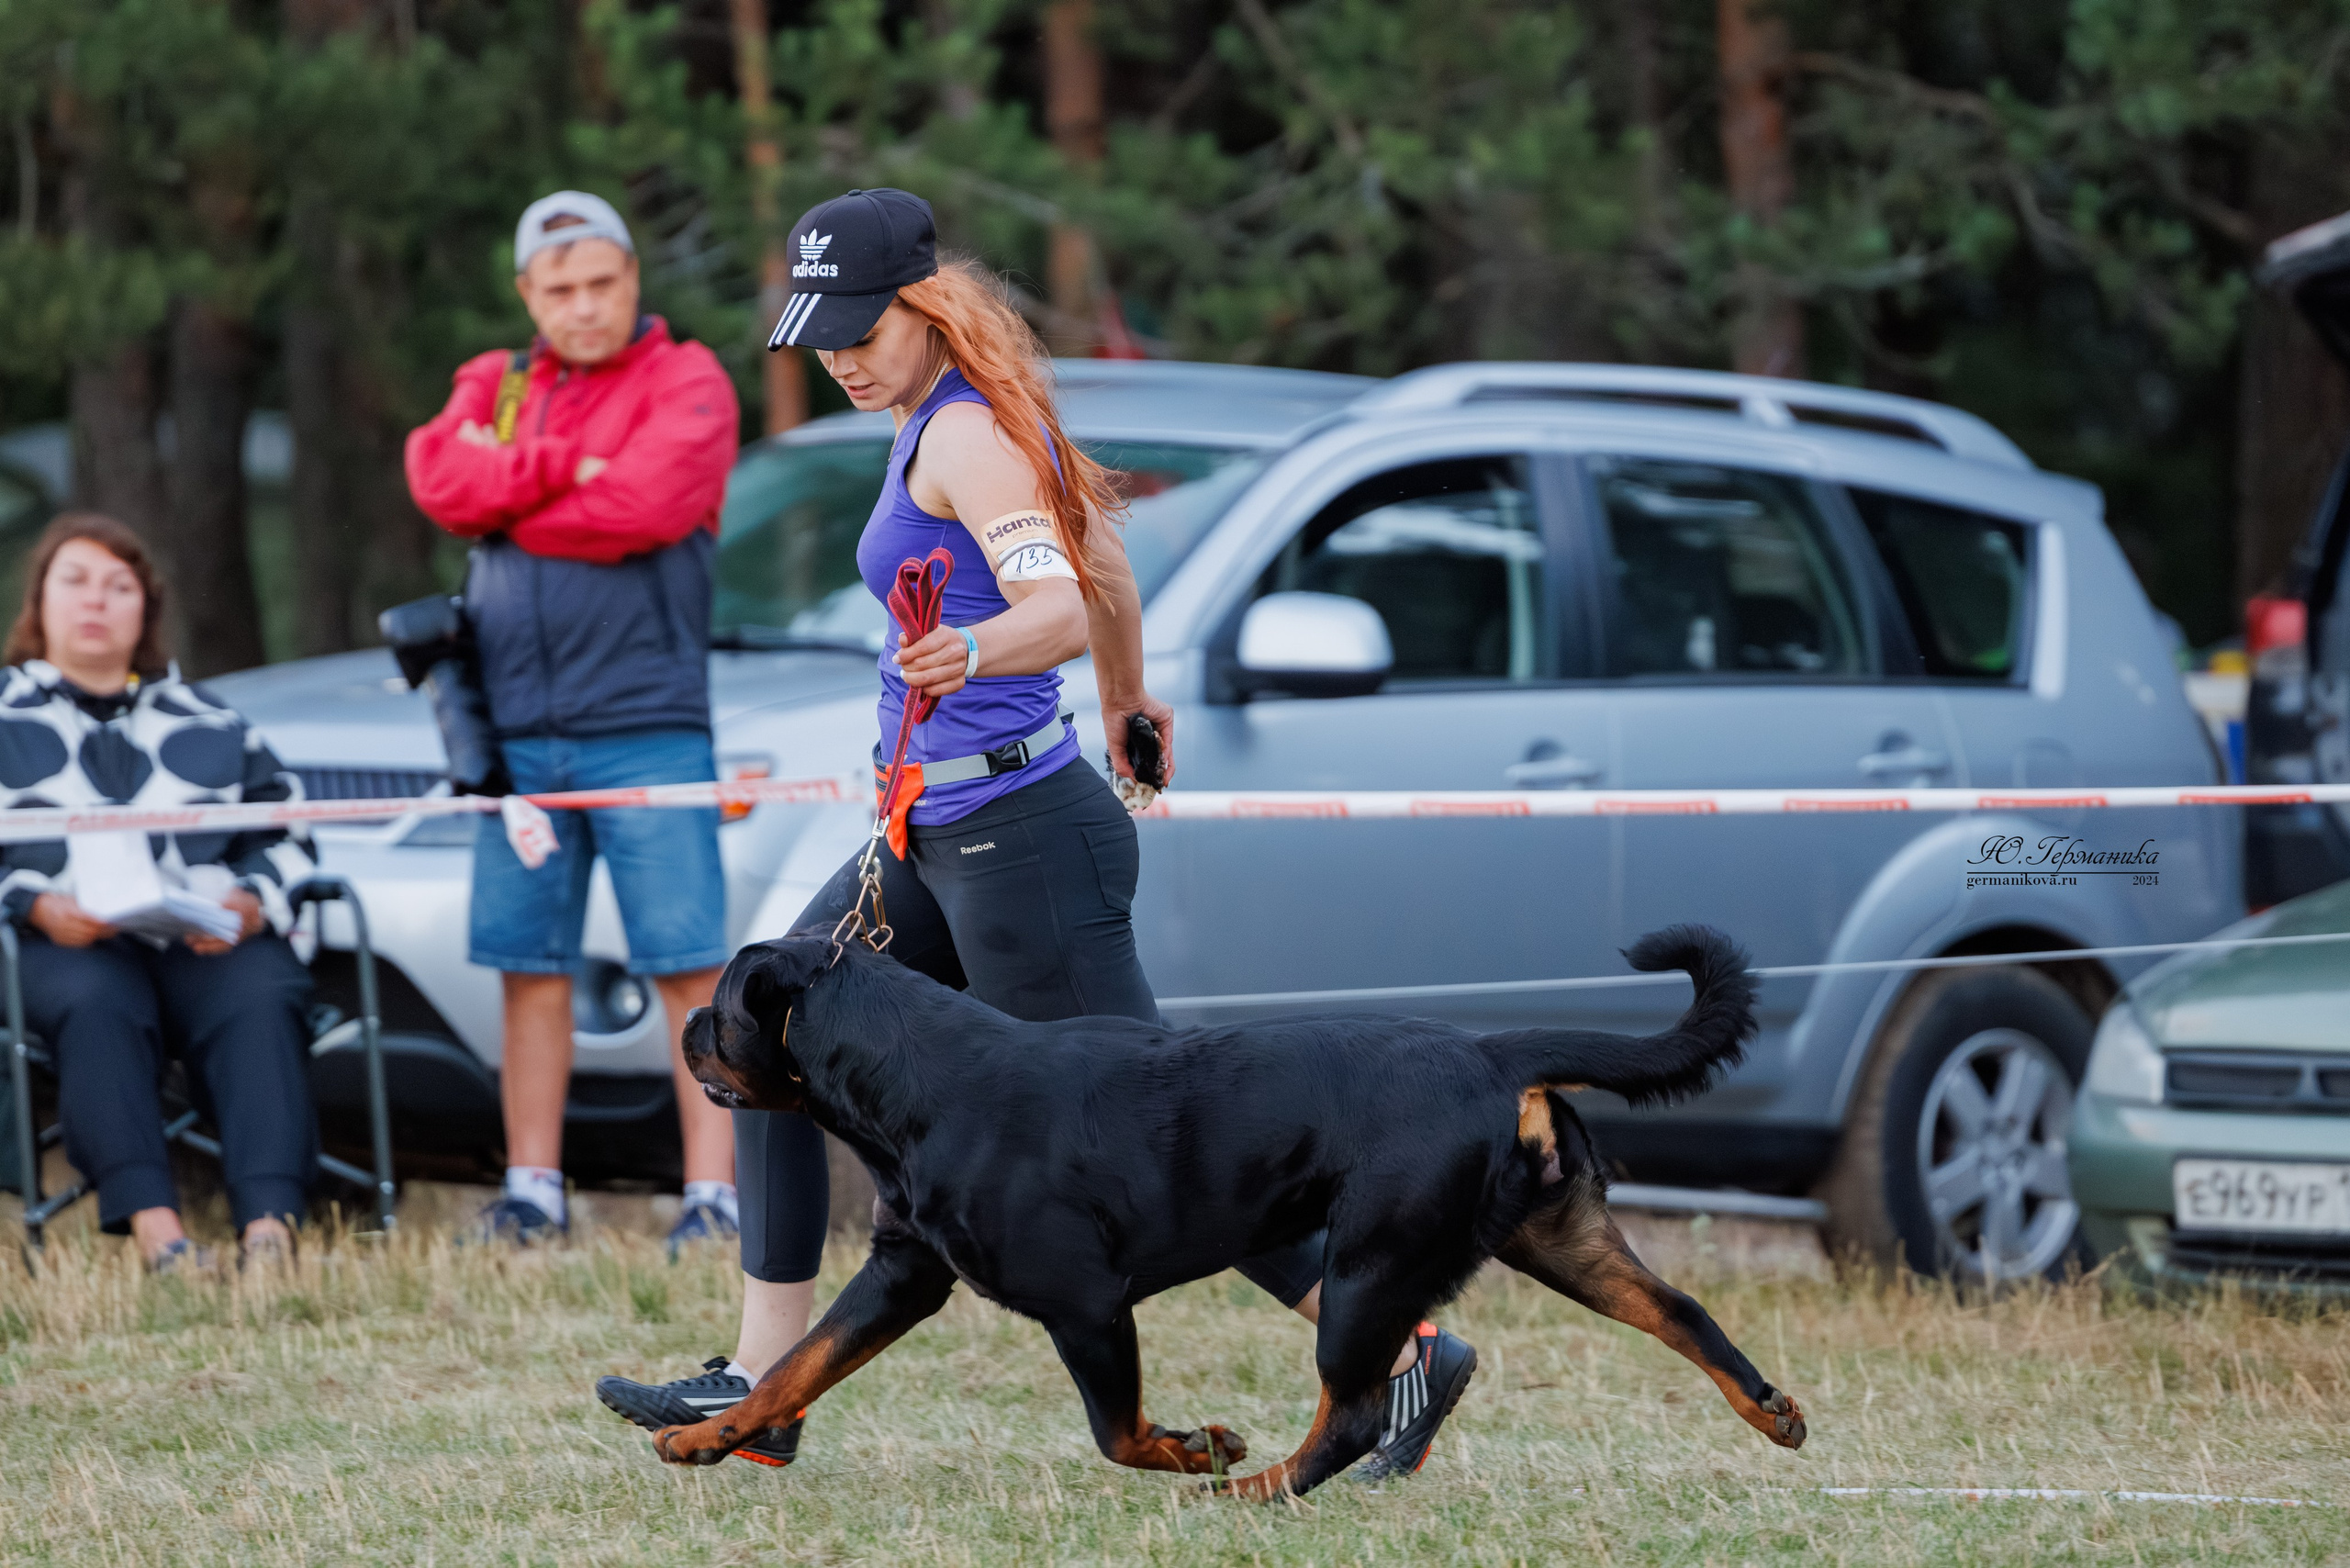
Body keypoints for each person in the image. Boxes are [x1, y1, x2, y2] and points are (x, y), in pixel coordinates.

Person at [595, 189, 1476, 1481]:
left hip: (1019, 839)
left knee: (1166, 1136)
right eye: (819, 328)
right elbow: (1112, 574)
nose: (837, 350)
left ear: (928, 303)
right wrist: (1127, 702)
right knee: (762, 1027)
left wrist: (980, 648)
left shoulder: (970, 442)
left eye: (860, 324)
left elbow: (1056, 604)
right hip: (938, 826)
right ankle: (761, 1386)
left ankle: (1406, 1356)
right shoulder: (944, 420)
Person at [403, 191, 743, 1253]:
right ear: (526, 295)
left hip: (648, 724)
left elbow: (644, 508)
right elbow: (435, 477)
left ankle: (714, 1198)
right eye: (560, 290)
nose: (584, 306)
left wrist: (505, 502)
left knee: (688, 966)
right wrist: (558, 468)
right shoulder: (494, 384)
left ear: (634, 278)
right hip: (513, 738)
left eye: (602, 283)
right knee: (528, 964)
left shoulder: (686, 379)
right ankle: (533, 1191)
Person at [0, 514, 316, 1271]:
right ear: (39, 600)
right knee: (98, 1002)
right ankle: (161, 1237)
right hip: (59, 941)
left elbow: (290, 833)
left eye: (119, 585)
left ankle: (270, 1233)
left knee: (261, 992)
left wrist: (250, 903)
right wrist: (31, 902)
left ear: (147, 607)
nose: (97, 602)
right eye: (74, 581)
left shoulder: (210, 720)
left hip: (202, 936)